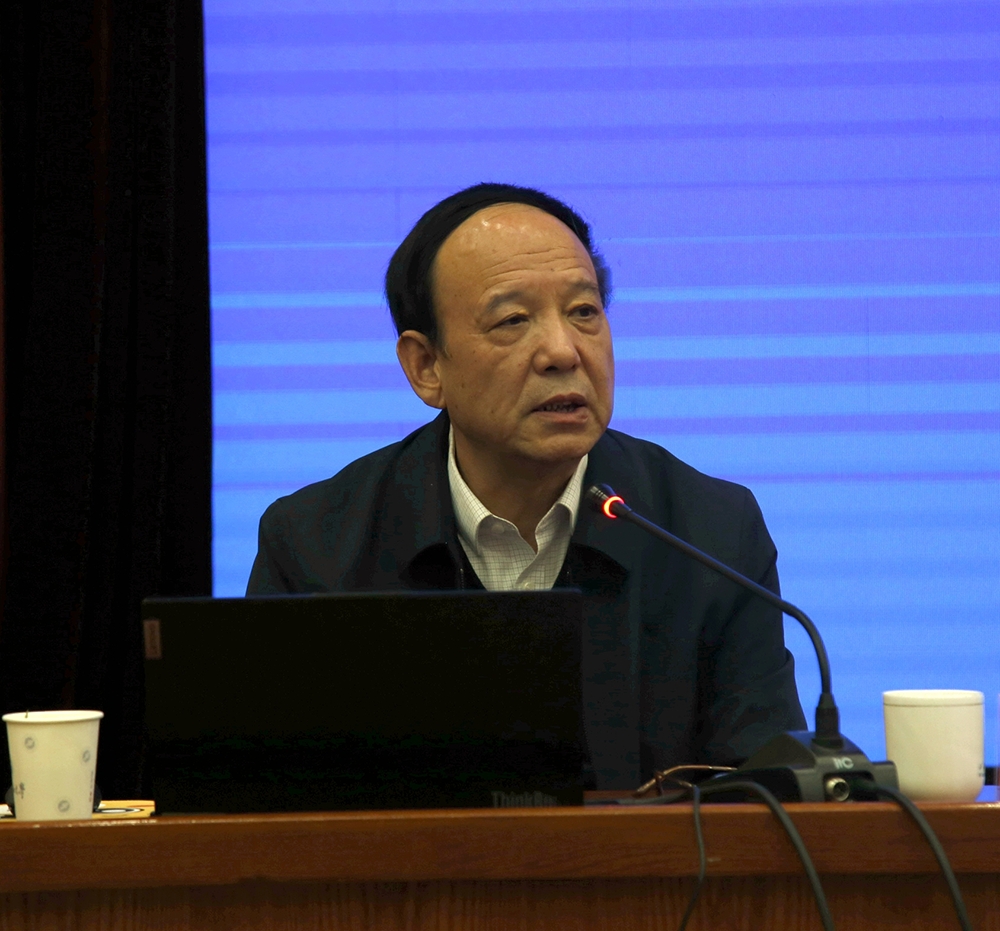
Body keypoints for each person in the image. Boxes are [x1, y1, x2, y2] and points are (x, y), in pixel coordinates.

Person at [247, 183, 805, 789]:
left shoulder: (710, 532)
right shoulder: (314, 546)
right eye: (513, 320)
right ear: (426, 367)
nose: (563, 352)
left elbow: (764, 795)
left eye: (584, 312)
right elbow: (272, 803)